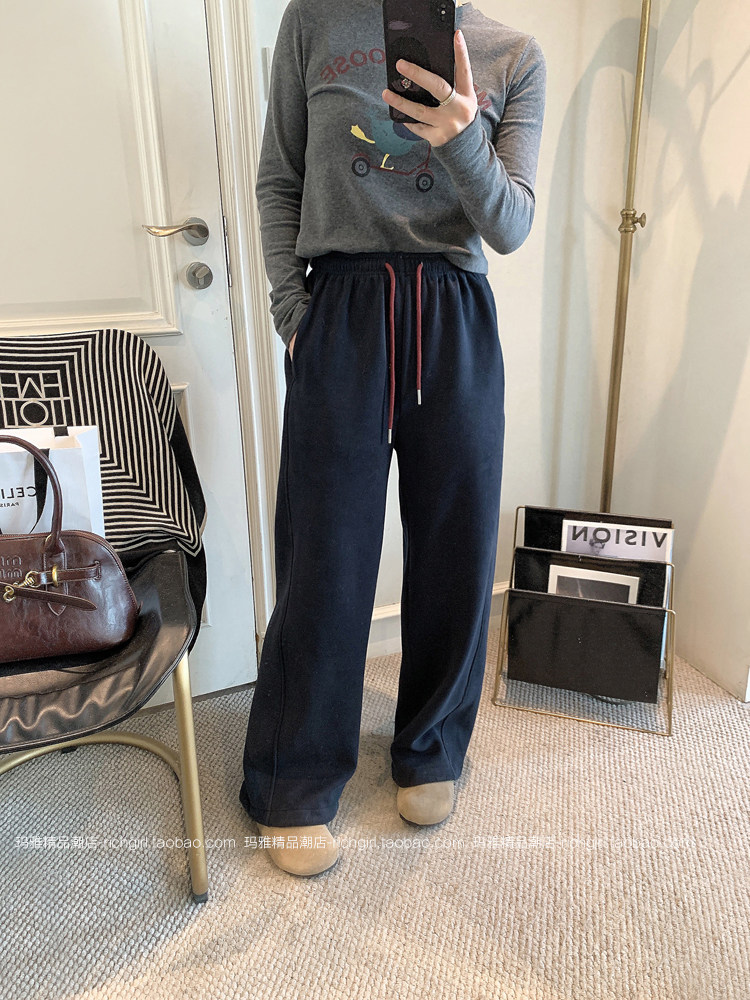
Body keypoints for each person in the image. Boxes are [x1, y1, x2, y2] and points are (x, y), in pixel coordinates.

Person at [240, 0, 546, 876]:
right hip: (341, 308)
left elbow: (511, 225)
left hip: (454, 313)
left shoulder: (514, 55)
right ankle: (294, 779)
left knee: (457, 544)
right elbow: (279, 177)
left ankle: (431, 748)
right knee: (324, 553)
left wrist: (461, 136)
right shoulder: (313, 20)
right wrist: (293, 312)